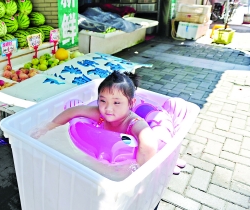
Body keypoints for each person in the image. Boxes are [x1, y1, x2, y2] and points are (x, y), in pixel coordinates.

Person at [31, 70, 186, 174]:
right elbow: (74, 111)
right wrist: (49, 127)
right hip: (105, 154)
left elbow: (149, 140)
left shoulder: (133, 122)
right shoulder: (99, 113)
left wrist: (142, 172)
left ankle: (170, 157)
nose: (108, 108)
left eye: (117, 103)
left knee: (162, 146)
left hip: (132, 155)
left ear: (131, 104)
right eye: (103, 100)